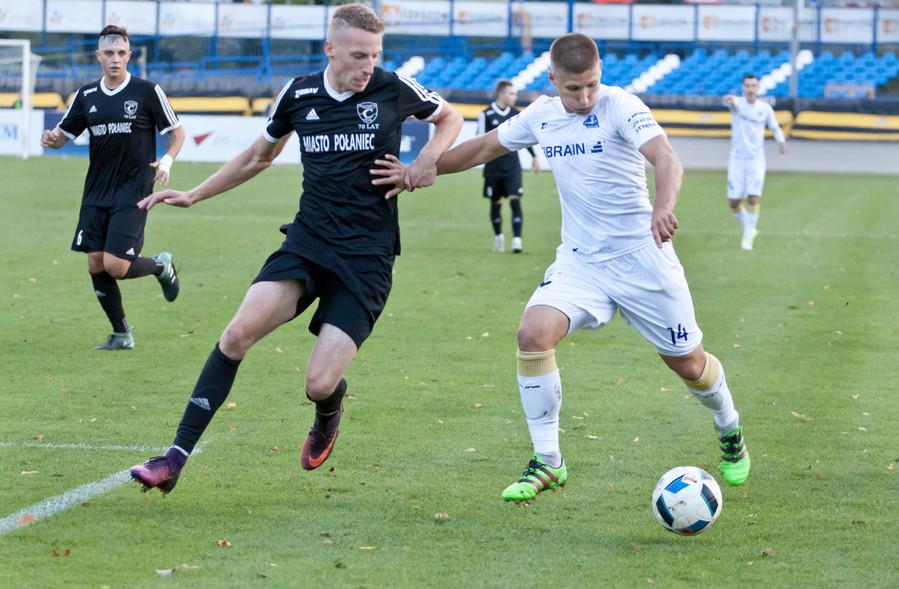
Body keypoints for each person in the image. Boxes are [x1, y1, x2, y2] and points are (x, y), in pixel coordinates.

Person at [373, 33, 750, 503]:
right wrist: (418, 169)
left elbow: (665, 158)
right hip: (581, 262)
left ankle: (728, 428)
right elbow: (481, 149)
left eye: (591, 85)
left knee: (690, 365)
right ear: (553, 80)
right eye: (574, 89)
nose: (585, 97)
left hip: (643, 257)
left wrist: (663, 205)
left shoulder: (621, 106)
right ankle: (549, 461)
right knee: (533, 334)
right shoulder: (542, 115)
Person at [129, 4, 462, 494]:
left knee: (319, 383)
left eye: (374, 55)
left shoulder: (393, 88)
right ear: (330, 50)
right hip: (307, 242)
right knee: (238, 333)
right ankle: (173, 458)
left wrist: (427, 159)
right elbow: (259, 157)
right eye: (357, 56)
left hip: (367, 258)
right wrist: (196, 193)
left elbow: (449, 118)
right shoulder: (300, 92)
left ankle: (329, 411)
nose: (367, 66)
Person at [40, 25, 184, 350]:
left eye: (121, 53)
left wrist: (167, 162)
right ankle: (121, 334)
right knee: (95, 263)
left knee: (116, 266)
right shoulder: (86, 95)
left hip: (134, 191)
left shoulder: (147, 91)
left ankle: (161, 266)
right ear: (99, 57)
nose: (115, 59)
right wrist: (52, 139)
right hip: (96, 191)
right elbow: (63, 135)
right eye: (109, 53)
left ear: (129, 56)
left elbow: (177, 133)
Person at [723, 74, 787, 251]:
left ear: (758, 88)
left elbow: (774, 126)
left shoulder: (764, 108)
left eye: (753, 86)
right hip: (737, 158)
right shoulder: (738, 105)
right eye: (747, 86)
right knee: (733, 201)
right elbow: (730, 102)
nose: (750, 89)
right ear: (743, 88)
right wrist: (728, 100)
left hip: (756, 159)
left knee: (753, 197)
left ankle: (748, 235)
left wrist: (781, 141)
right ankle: (749, 227)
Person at [477, 80, 540, 253]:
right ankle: (498, 236)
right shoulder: (487, 114)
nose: (515, 97)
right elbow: (479, 140)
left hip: (512, 166)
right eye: (512, 94)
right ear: (501, 94)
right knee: (495, 204)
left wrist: (534, 157)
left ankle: (517, 240)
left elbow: (524, 138)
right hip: (493, 167)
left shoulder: (516, 114)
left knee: (515, 199)